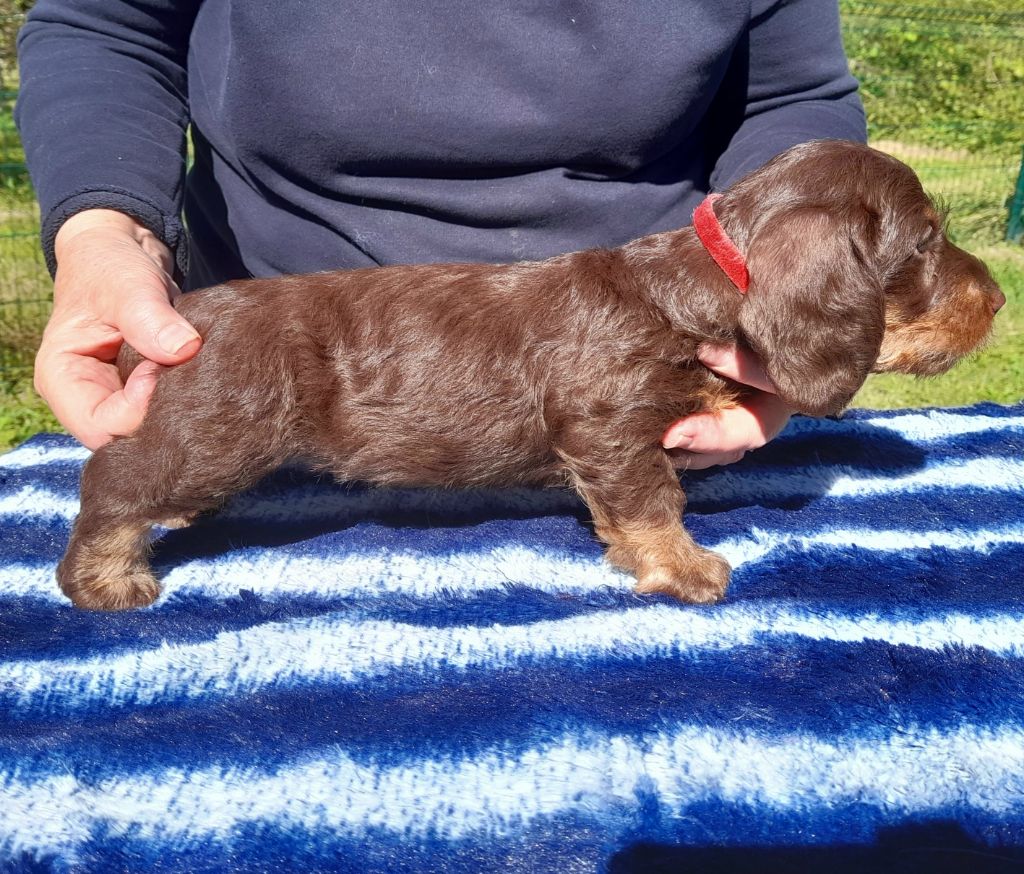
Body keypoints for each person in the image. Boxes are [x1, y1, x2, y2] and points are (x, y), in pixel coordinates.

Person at [15, 1, 866, 460]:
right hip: (283, 370)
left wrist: (779, 307)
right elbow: (110, 25)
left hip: (646, 382)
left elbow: (789, 96)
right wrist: (105, 229)